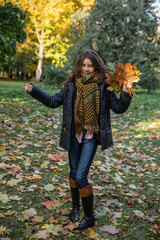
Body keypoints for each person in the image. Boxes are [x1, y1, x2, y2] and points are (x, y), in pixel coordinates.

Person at [23, 49, 132, 230]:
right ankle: (75, 208)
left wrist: (125, 93)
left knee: (81, 175)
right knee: (73, 173)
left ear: (96, 67)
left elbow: (119, 108)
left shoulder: (104, 86)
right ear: (79, 66)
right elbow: (52, 101)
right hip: (74, 135)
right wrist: (34, 90)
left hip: (91, 136)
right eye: (83, 65)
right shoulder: (71, 85)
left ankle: (89, 217)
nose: (86, 69)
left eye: (90, 66)